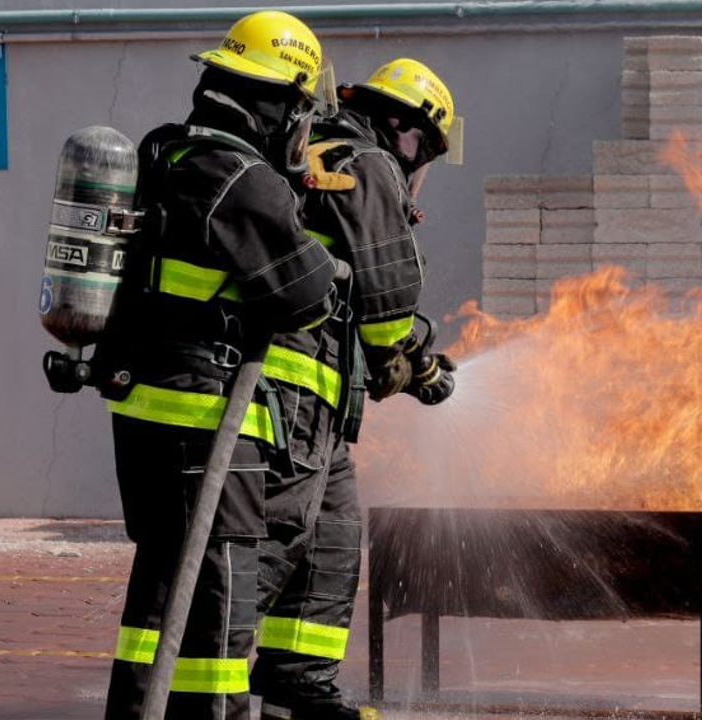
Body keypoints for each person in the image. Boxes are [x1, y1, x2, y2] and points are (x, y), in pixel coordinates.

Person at [99, 11, 348, 720]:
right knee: (221, 583)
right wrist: (326, 261)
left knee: (163, 579)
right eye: (300, 110)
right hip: (205, 418)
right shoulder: (242, 178)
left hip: (146, 408)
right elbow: (304, 298)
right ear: (279, 100)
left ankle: (138, 709)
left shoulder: (164, 152)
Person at [250, 58, 461, 720]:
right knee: (277, 536)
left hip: (321, 401)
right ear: (404, 128)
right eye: (425, 147)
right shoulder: (365, 162)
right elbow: (387, 294)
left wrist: (402, 357)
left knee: (334, 530)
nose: (420, 163)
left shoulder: (329, 149)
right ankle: (193, 676)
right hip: (293, 387)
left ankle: (298, 686)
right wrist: (417, 367)